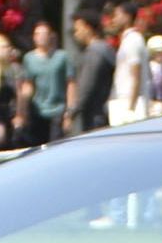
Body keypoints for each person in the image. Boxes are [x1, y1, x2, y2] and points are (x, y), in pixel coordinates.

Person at [15, 18, 69, 148]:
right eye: (37, 34)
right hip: (38, 110)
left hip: (57, 109)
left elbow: (70, 83)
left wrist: (69, 112)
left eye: (44, 34)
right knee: (37, 146)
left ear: (51, 36)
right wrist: (21, 112)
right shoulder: (29, 58)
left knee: (56, 146)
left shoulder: (62, 57)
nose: (41, 37)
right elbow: (28, 85)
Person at [67, 12, 115, 137]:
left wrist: (72, 112)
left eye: (78, 29)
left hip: (96, 116)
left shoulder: (95, 52)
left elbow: (86, 87)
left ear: (88, 28)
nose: (75, 33)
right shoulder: (106, 49)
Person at [107, 6, 148, 127]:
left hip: (129, 102)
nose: (113, 20)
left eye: (117, 15)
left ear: (127, 17)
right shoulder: (127, 40)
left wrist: (130, 109)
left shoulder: (133, 40)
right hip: (124, 100)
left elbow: (136, 75)